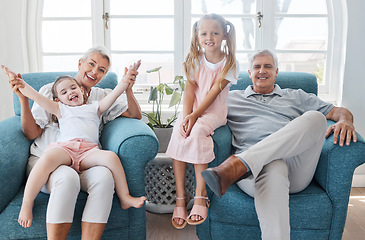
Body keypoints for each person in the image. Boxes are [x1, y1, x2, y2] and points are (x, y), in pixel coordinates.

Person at [201, 49, 357, 240]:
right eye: (257, 67)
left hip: (295, 168)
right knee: (273, 164)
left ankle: (241, 163)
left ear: (276, 71)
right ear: (249, 73)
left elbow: (339, 111)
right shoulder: (231, 99)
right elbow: (201, 111)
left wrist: (346, 121)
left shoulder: (297, 96)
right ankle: (248, 162)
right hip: (254, 175)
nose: (262, 71)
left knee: (316, 118)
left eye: (268, 66)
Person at [3, 46, 142, 239]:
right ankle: (28, 203)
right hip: (57, 157)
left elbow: (134, 114)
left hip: (87, 155)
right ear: (80, 63)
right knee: (66, 177)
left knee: (104, 177)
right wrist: (22, 92)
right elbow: (31, 128)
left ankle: (123, 199)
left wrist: (127, 85)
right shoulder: (55, 98)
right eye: (91, 64)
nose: (95, 71)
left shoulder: (98, 100)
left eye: (101, 70)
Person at [165, 13, 239, 229]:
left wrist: (195, 117)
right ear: (198, 36)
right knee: (181, 133)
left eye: (215, 33)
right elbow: (189, 93)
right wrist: (186, 118)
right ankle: (181, 197)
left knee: (197, 133)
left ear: (224, 35)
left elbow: (214, 93)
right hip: (191, 111)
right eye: (204, 33)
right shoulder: (193, 60)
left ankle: (200, 195)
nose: (209, 37)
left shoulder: (229, 63)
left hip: (212, 112)